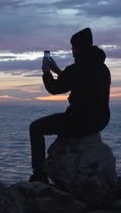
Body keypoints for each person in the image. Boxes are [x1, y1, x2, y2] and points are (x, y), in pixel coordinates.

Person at [29, 28, 111, 183]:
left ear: (78, 48)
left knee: (36, 128)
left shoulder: (77, 68)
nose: (72, 50)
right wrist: (59, 71)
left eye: (73, 47)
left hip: (79, 121)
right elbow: (79, 81)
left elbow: (54, 88)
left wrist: (46, 72)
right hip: (100, 121)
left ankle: (39, 175)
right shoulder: (102, 67)